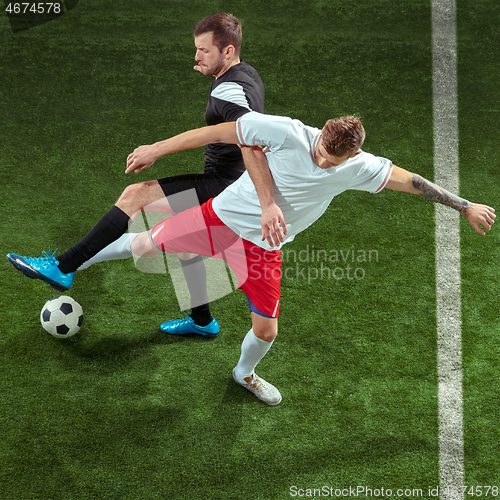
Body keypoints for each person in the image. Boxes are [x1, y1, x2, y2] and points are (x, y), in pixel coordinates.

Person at [7, 111, 495, 405]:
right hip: (217, 219)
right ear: (321, 132)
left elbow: (413, 182)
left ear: (351, 157)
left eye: (332, 159)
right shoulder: (286, 131)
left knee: (267, 330)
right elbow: (219, 133)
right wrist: (156, 148)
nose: (322, 160)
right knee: (140, 246)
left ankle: (243, 374)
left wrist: (464, 204)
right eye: (322, 149)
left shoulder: (359, 166)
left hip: (264, 250)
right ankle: (65, 267)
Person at [17, 13, 269, 339]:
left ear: (228, 51)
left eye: (204, 50)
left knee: (136, 194)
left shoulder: (230, 90)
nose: (196, 56)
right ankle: (203, 320)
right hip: (232, 184)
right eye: (197, 48)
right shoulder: (245, 74)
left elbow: (249, 135)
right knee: (186, 243)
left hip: (227, 186)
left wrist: (157, 149)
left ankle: (63, 266)